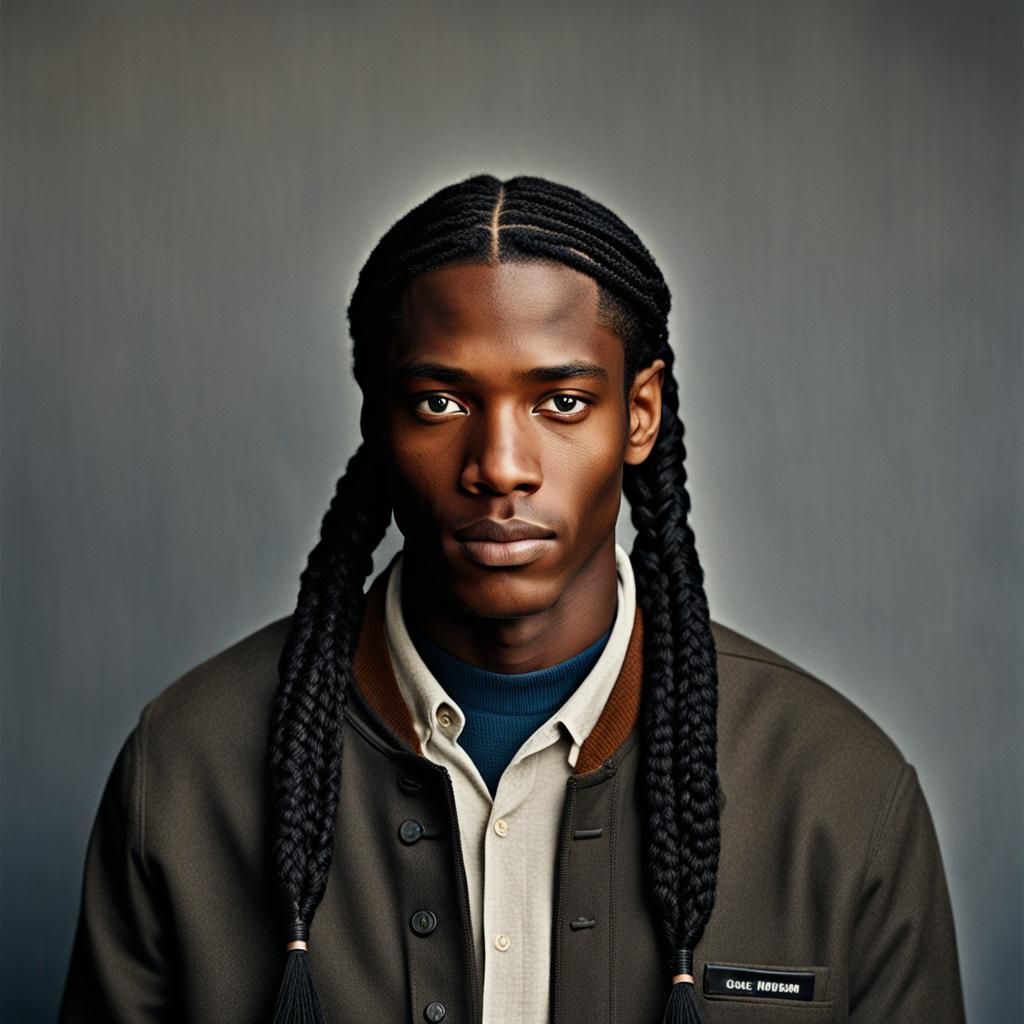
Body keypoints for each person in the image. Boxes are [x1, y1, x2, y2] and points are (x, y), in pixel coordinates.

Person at [59, 174, 966, 1024]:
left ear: (639, 414)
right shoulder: (185, 770)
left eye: (562, 402)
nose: (500, 466)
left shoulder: (843, 796)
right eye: (441, 403)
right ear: (376, 414)